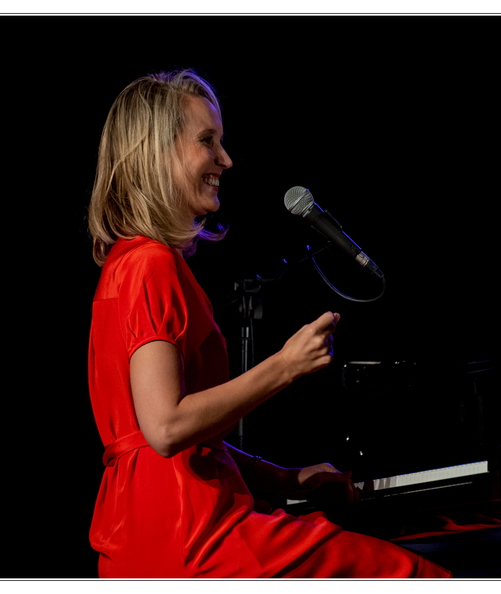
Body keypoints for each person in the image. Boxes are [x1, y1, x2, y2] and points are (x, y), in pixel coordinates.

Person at [86, 67, 452, 578]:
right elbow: (166, 428)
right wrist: (286, 365)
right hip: (191, 533)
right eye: (207, 142)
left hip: (141, 531)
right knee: (413, 577)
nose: (226, 159)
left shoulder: (126, 263)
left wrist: (285, 480)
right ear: (157, 153)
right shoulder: (151, 264)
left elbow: (171, 442)